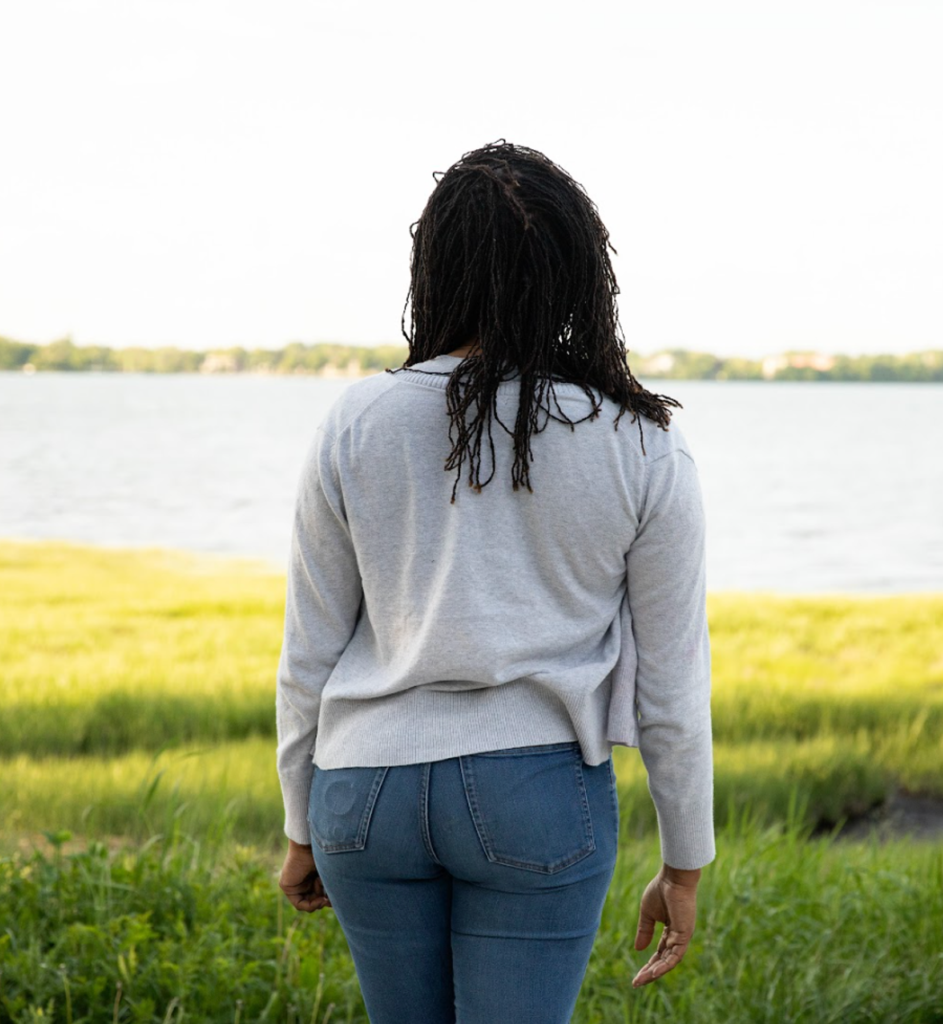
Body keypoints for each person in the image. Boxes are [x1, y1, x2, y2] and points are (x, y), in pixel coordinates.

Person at [276, 140, 714, 1024]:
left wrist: (298, 823)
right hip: (537, 799)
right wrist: (683, 862)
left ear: (434, 269)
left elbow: (308, 652)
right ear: (577, 274)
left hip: (362, 798)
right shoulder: (640, 442)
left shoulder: (356, 419)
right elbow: (671, 687)